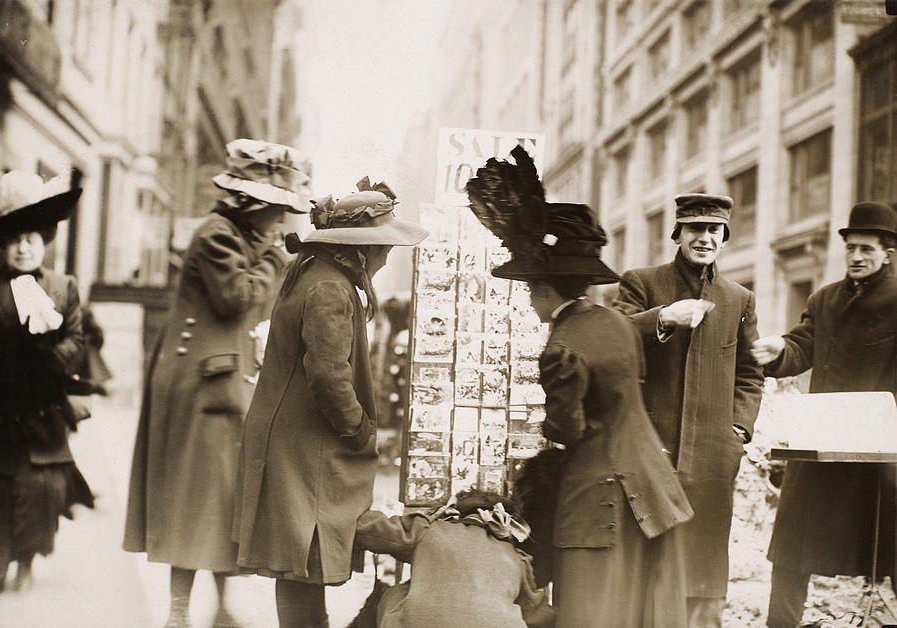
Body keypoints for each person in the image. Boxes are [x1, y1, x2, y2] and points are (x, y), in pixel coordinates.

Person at [466, 146, 693, 627]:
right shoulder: (615, 321)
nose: (529, 298)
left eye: (530, 288)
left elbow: (567, 428)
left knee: (593, 610)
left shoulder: (560, 346)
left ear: (546, 290)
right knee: (638, 609)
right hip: (651, 485)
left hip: (599, 500)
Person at [123, 138, 311, 627]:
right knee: (194, 498)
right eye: (275, 210)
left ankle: (219, 608)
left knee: (224, 499)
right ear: (251, 204)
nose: (279, 222)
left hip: (224, 380)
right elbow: (235, 296)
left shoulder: (239, 235)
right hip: (198, 386)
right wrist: (273, 259)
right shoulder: (216, 234)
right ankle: (179, 613)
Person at [232, 177, 428, 628]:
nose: (385, 255)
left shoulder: (313, 277)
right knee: (307, 552)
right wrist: (358, 429)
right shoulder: (331, 289)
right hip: (307, 444)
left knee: (299, 559)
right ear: (358, 248)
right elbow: (328, 374)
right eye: (382, 246)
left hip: (293, 439)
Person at [611, 193, 764, 627]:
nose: (704, 237)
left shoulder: (739, 299)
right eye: (695, 228)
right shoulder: (641, 282)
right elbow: (609, 339)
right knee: (646, 561)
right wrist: (662, 318)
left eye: (714, 229)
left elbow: (751, 373)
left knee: (704, 566)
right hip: (650, 449)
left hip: (713, 459)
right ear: (677, 234)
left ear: (724, 237)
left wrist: (737, 431)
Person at [751, 201, 897, 628]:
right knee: (792, 543)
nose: (856, 256)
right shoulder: (825, 299)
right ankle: (781, 624)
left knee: (891, 544)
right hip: (821, 439)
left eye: (866, 249)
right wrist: (778, 351)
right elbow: (801, 347)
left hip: (882, 450)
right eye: (851, 247)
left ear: (888, 252)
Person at [0, 170, 93, 592]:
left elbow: (77, 337)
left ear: (44, 241)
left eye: (31, 238)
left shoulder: (62, 287)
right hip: (0, 406)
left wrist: (52, 360)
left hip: (43, 408)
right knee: (1, 486)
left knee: (41, 487)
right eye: (14, 238)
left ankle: (27, 562)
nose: (22, 247)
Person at [349, 489, 555, 628]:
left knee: (399, 591)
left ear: (456, 512)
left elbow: (367, 530)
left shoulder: (429, 530)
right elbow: (533, 609)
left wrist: (429, 518)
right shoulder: (516, 557)